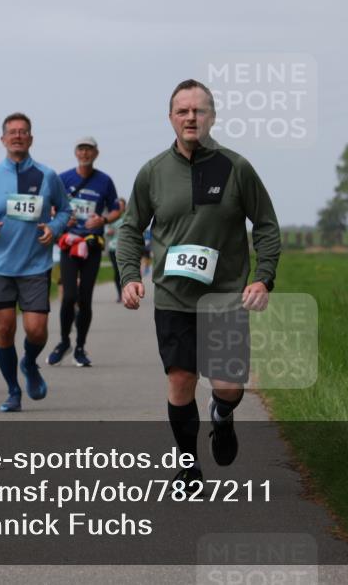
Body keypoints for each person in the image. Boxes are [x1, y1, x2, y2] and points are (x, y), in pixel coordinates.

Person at [116, 79, 281, 489]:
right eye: (183, 111)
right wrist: (130, 277)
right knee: (180, 379)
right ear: (171, 118)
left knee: (228, 387)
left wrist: (262, 279)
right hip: (174, 296)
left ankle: (222, 416)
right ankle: (189, 466)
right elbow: (131, 229)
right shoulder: (152, 172)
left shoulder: (236, 168)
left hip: (224, 298)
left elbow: (266, 227)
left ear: (212, 116)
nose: (191, 117)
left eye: (199, 110)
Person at [0, 113, 72, 412]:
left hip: (35, 265)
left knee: (37, 330)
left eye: (23, 132)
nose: (17, 136)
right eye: (12, 132)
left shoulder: (47, 175)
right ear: (2, 139)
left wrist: (54, 228)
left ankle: (29, 362)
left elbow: (64, 211)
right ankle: (13, 390)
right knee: (4, 328)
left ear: (31, 139)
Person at [48, 136, 121, 367]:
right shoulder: (64, 178)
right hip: (69, 243)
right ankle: (63, 342)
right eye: (81, 149)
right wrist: (60, 216)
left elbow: (117, 208)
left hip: (92, 244)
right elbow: (50, 205)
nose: (85, 153)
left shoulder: (104, 181)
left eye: (89, 150)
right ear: (76, 152)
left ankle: (80, 347)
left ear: (96, 153)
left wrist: (103, 219)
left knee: (85, 298)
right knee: (69, 296)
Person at [106, 198, 127, 303]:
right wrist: (108, 232)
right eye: (118, 205)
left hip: (124, 249)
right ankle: (120, 294)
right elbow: (106, 230)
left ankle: (128, 293)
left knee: (125, 271)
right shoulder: (111, 217)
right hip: (113, 248)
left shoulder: (128, 217)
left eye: (122, 205)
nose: (120, 207)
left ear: (125, 207)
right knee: (117, 271)